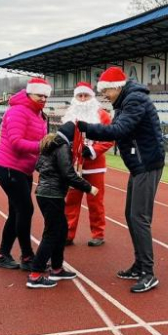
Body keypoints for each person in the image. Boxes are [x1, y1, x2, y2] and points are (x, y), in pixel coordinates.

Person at [76, 67, 165, 293]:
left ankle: (148, 272)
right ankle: (139, 264)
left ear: (117, 87)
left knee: (139, 218)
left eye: (107, 91)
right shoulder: (127, 100)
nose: (106, 95)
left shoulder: (134, 100)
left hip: (147, 164)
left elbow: (119, 129)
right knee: (131, 215)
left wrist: (85, 128)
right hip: (139, 165)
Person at [26, 122, 100, 288]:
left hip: (46, 193)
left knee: (61, 230)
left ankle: (57, 268)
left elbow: (38, 166)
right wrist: (89, 188)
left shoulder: (50, 145)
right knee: (52, 233)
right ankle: (35, 274)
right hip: (51, 195)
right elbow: (68, 174)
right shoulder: (62, 147)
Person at [0, 77, 51, 270]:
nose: (42, 98)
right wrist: (42, 146)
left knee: (17, 212)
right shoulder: (17, 111)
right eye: (38, 95)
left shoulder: (39, 114)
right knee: (25, 210)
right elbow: (16, 143)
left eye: (45, 95)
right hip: (8, 167)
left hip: (23, 168)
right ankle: (27, 256)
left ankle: (3, 254)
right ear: (29, 93)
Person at [62, 82, 113, 247]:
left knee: (95, 201)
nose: (83, 99)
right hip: (73, 167)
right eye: (80, 96)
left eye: (86, 96)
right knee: (71, 201)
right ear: (75, 97)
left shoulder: (103, 115)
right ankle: (67, 234)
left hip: (95, 167)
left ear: (92, 97)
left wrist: (91, 150)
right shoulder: (69, 114)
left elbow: (109, 139)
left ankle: (98, 234)